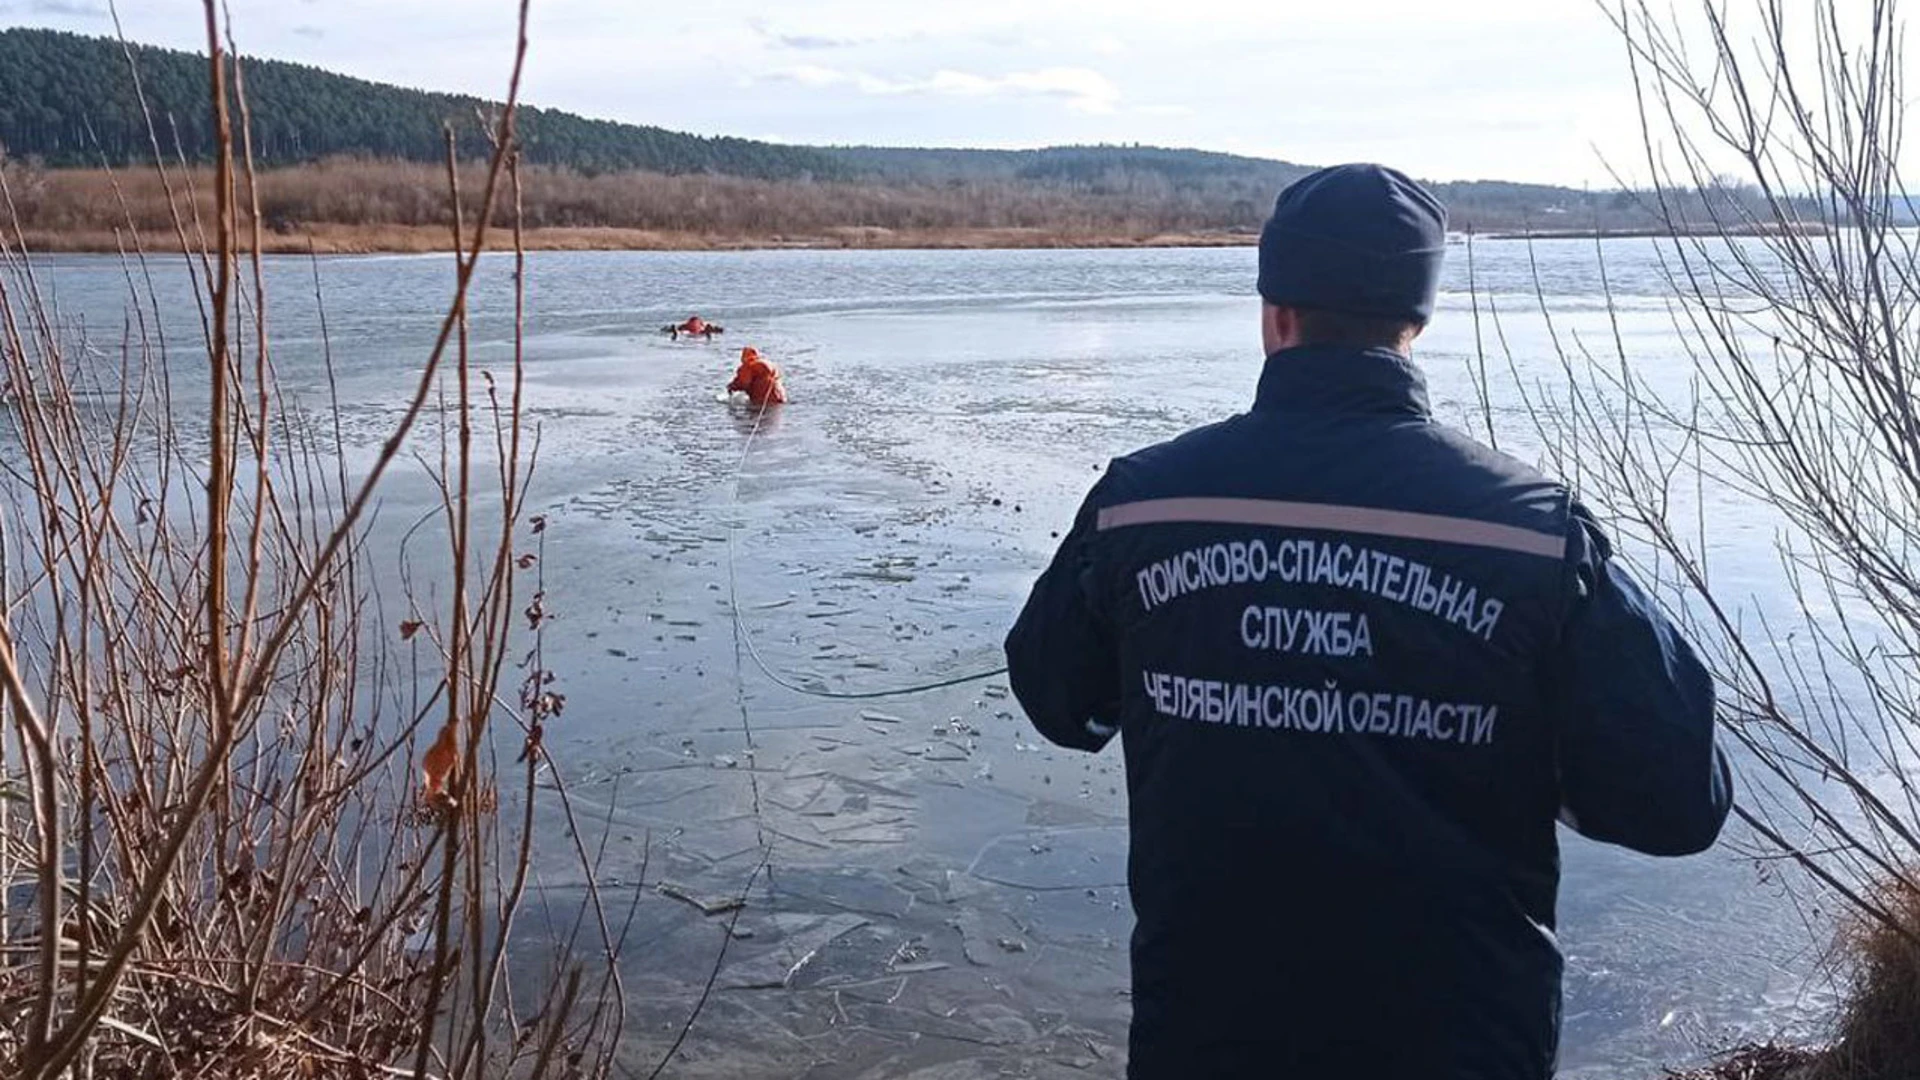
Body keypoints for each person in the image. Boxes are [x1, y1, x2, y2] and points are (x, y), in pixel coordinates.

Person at [1004, 163, 1731, 1080]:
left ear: (1275, 313)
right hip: (1464, 1046)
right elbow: (1678, 802)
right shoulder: (1530, 534)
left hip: (1208, 1043)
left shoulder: (1140, 508)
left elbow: (1058, 702)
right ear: (1414, 325)